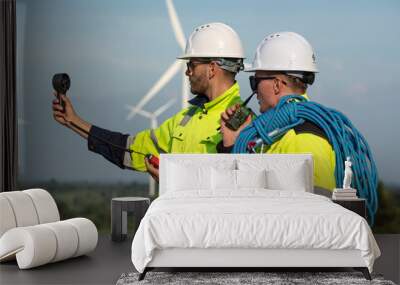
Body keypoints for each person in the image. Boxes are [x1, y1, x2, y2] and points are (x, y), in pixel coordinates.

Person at [52, 22, 245, 183]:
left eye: (191, 65)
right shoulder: (186, 119)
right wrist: (73, 121)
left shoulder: (242, 124)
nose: (187, 72)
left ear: (211, 68)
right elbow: (130, 148)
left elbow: (235, 190)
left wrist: (173, 183)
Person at [219, 32, 336, 193]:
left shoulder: (302, 138)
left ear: (277, 85)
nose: (255, 91)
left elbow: (316, 210)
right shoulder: (277, 133)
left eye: (255, 82)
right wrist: (233, 143)